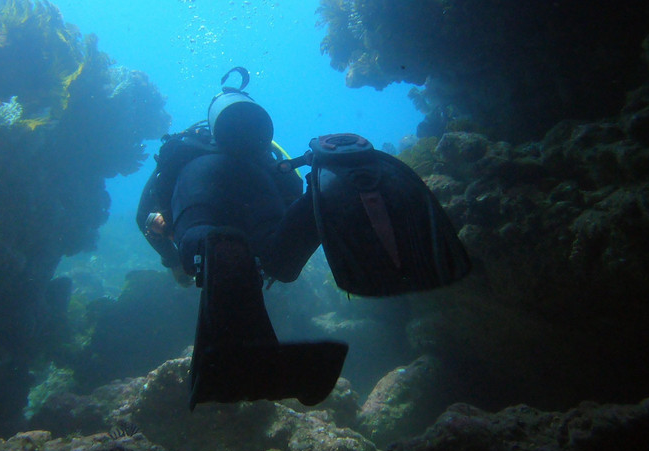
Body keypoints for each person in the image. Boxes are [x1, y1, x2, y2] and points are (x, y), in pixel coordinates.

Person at [138, 66, 470, 410]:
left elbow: (143, 215)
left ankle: (216, 251)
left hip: (199, 186)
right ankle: (333, 176)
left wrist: (175, 258)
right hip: (259, 185)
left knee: (201, 241)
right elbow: (291, 190)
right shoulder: (263, 153)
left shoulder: (185, 150)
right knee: (277, 260)